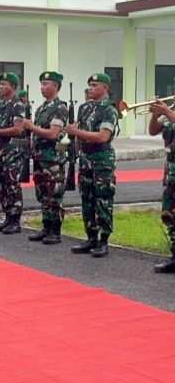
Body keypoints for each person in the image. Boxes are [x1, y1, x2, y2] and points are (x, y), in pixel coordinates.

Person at [66, 74, 119, 258]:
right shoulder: (85, 108)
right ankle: (90, 237)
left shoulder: (109, 110)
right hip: (85, 158)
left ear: (105, 88)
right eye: (89, 85)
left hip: (101, 160)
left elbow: (103, 136)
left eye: (95, 85)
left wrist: (77, 131)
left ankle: (103, 241)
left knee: (103, 200)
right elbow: (77, 132)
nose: (91, 88)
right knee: (86, 199)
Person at [23, 71, 68, 245]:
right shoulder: (42, 108)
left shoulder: (60, 108)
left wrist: (31, 127)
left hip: (53, 159)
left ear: (55, 86)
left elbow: (53, 133)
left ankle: (55, 231)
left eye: (46, 84)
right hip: (40, 157)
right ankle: (46, 227)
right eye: (41, 84)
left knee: (54, 195)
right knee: (42, 194)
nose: (42, 87)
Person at [0, 72, 25, 235]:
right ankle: (7, 216)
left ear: (13, 86)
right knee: (0, 185)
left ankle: (15, 220)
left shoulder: (18, 105)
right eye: (0, 84)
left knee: (12, 185)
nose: (1, 87)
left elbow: (18, 129)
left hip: (11, 151)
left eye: (4, 84)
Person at [149, 94, 175, 273]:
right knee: (170, 215)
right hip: (171, 170)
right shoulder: (171, 110)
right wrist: (155, 114)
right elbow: (153, 131)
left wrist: (167, 112)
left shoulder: (170, 112)